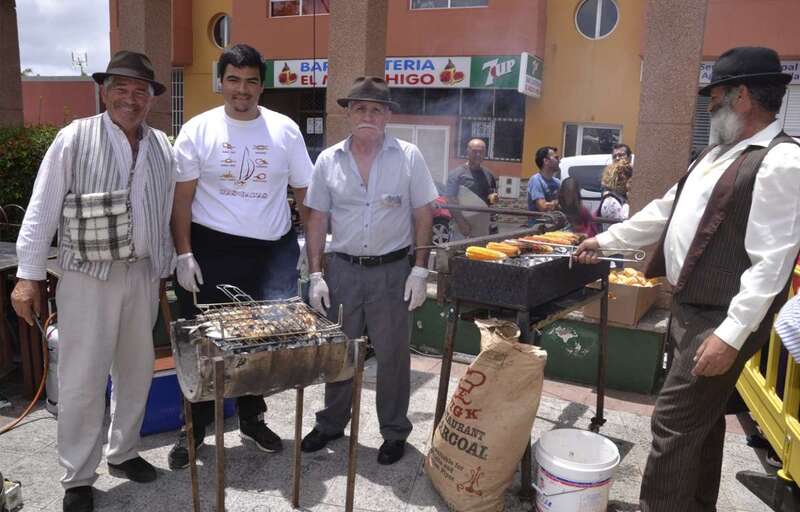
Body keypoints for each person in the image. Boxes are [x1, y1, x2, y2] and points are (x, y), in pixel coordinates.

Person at [574, 46, 800, 511]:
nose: (708, 104)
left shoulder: (781, 162)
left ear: (740, 96)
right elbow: (663, 210)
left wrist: (730, 337)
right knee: (703, 424)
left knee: (672, 427)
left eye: (714, 95)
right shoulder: (717, 154)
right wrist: (606, 241)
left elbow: (771, 265)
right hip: (690, 307)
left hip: (718, 319)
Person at [11, 51, 175, 512]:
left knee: (136, 370)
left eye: (140, 90)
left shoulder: (163, 144)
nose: (131, 98)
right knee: (82, 378)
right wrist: (28, 275)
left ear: (151, 98)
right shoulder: (75, 137)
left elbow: (168, 210)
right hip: (87, 276)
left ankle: (123, 453)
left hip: (142, 274)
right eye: (121, 88)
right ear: (104, 92)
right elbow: (42, 206)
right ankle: (78, 477)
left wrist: (174, 260)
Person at [167, 43, 313, 470]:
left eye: (251, 81)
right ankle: (192, 428)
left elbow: (304, 191)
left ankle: (251, 418)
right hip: (212, 249)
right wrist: (184, 253)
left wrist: (306, 248)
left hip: (270, 253)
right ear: (221, 82)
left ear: (262, 86)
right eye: (234, 79)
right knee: (203, 343)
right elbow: (182, 200)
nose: (242, 89)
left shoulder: (285, 129)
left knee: (258, 344)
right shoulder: (198, 129)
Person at [301, 76, 437, 465]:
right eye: (360, 108)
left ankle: (394, 431)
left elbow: (423, 214)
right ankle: (330, 423)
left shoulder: (408, 156)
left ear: (388, 115)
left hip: (392, 272)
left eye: (376, 109)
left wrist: (420, 271)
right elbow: (317, 219)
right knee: (339, 352)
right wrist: (315, 274)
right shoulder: (329, 160)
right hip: (342, 270)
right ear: (347, 113)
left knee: (394, 356)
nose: (368, 115)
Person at [445, 138, 497, 238]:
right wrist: (461, 223)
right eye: (474, 151)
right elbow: (450, 200)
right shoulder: (456, 174)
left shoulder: (489, 175)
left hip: (483, 226)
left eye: (481, 152)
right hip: (462, 227)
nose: (478, 155)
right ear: (467, 151)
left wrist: (493, 199)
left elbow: (491, 199)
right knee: (460, 253)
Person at [595, 159, 633, 233]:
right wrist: (629, 202)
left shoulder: (618, 198)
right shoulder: (611, 201)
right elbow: (624, 226)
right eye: (630, 181)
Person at [527, 146, 560, 224]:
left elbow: (564, 206)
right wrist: (558, 202)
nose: (559, 160)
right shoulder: (536, 180)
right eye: (556, 157)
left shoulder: (558, 182)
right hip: (538, 230)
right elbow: (543, 207)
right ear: (546, 161)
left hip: (554, 229)